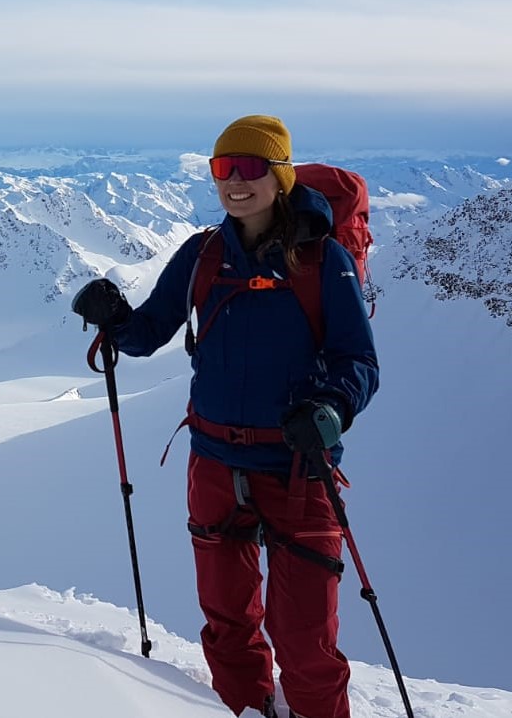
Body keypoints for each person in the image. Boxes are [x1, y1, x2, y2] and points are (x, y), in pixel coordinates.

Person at [72, 114, 378, 718]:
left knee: (305, 639)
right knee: (227, 622)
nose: (235, 181)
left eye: (250, 167)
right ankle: (240, 710)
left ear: (280, 175)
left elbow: (358, 361)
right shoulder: (203, 253)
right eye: (222, 168)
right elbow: (149, 332)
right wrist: (115, 318)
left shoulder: (325, 260)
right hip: (213, 461)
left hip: (298, 467)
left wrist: (329, 409)